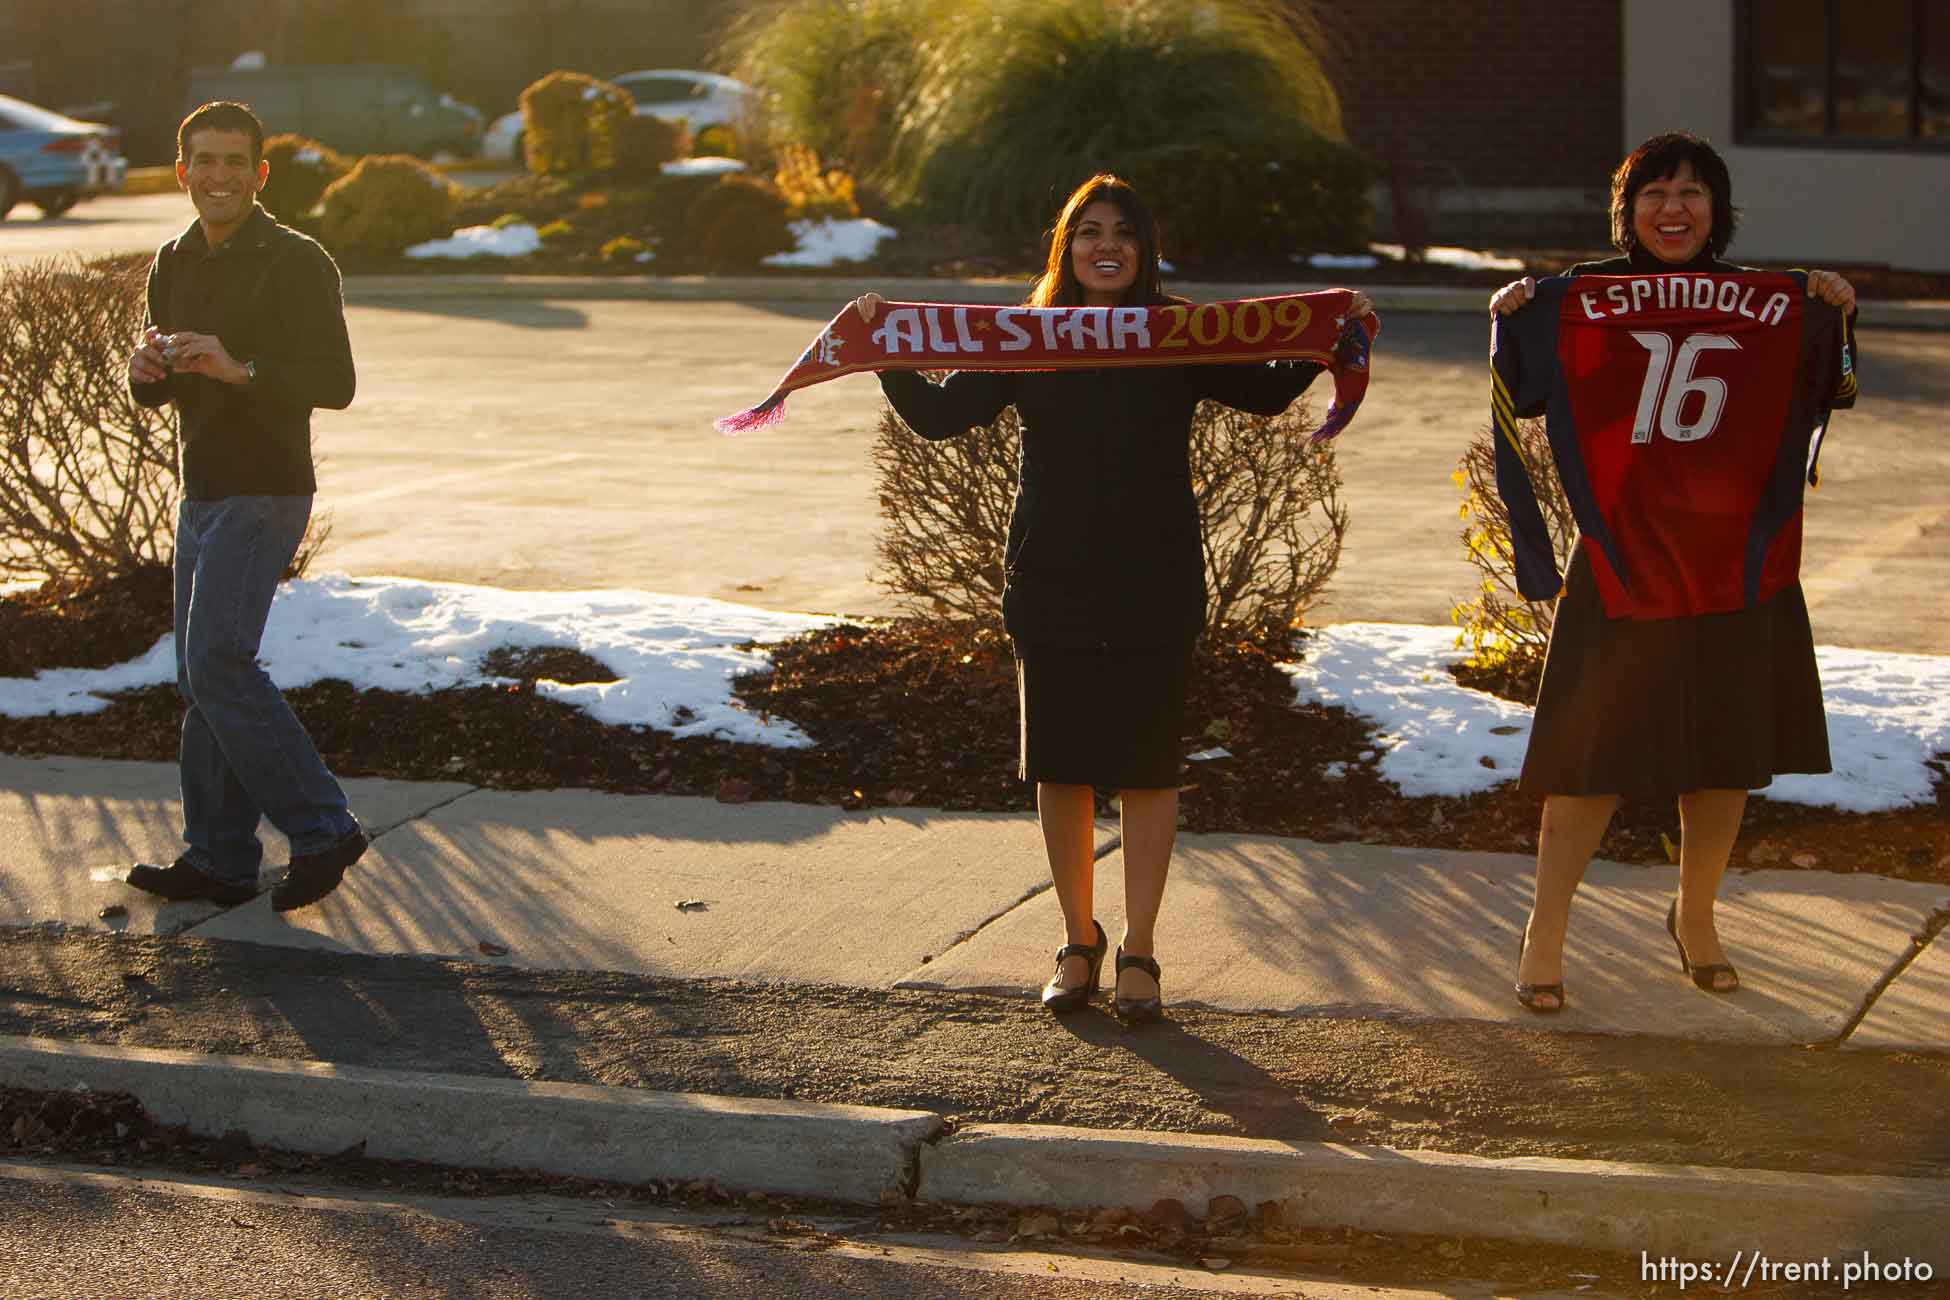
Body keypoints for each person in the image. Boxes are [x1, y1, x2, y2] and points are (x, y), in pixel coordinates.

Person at [853, 174, 1369, 1021]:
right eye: (1089, 229)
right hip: (1050, 579)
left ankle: (1141, 949)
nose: (1107, 244)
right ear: (1066, 245)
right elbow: (945, 418)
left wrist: (1331, 328)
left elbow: (1267, 389)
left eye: (1124, 232)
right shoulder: (1031, 335)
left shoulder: (1176, 332)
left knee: (1147, 770)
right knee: (1062, 768)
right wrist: (885, 345)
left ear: (1144, 248)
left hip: (1157, 580)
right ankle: (1077, 940)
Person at [1490, 131, 1857, 1011]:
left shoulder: (1771, 301)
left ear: (1716, 210)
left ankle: (1697, 919)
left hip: (1736, 562)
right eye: (1654, 192)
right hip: (1624, 556)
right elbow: (1525, 387)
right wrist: (1512, 316)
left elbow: (1833, 388)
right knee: (1591, 759)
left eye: (1692, 192)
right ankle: (1544, 932)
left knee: (1723, 757)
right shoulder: (1578, 298)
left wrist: (1839, 311)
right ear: (1628, 210)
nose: (1674, 208)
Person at [123, 101, 366, 913]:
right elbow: (159, 397)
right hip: (203, 488)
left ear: (259, 175)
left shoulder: (298, 261)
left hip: (267, 488)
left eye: (235, 162)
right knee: (201, 677)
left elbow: (336, 383)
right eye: (204, 161)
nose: (218, 176)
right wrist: (147, 372)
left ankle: (324, 827)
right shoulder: (174, 259)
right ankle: (222, 859)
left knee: (221, 665)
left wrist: (243, 370)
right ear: (182, 168)